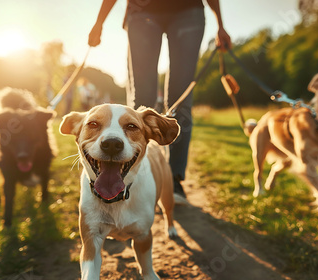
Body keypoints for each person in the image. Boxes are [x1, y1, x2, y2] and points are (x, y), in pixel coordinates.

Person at [88, 0, 232, 203]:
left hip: (188, 11)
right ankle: (134, 177)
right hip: (141, 12)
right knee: (141, 104)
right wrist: (99, 22)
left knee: (180, 101)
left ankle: (174, 179)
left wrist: (221, 25)